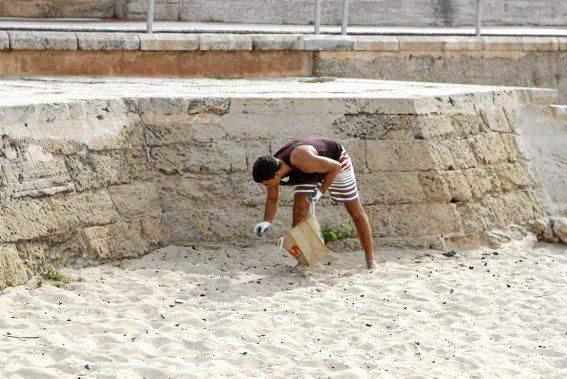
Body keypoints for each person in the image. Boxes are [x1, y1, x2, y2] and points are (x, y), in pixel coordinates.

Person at [252, 138, 377, 269]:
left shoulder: (301, 159)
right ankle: (303, 262)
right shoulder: (271, 167)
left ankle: (370, 259)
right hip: (309, 171)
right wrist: (266, 221)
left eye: (266, 184)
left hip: (335, 162)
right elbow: (272, 198)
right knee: (299, 210)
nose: (265, 186)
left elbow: (336, 166)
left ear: (277, 174)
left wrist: (320, 191)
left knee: (355, 211)